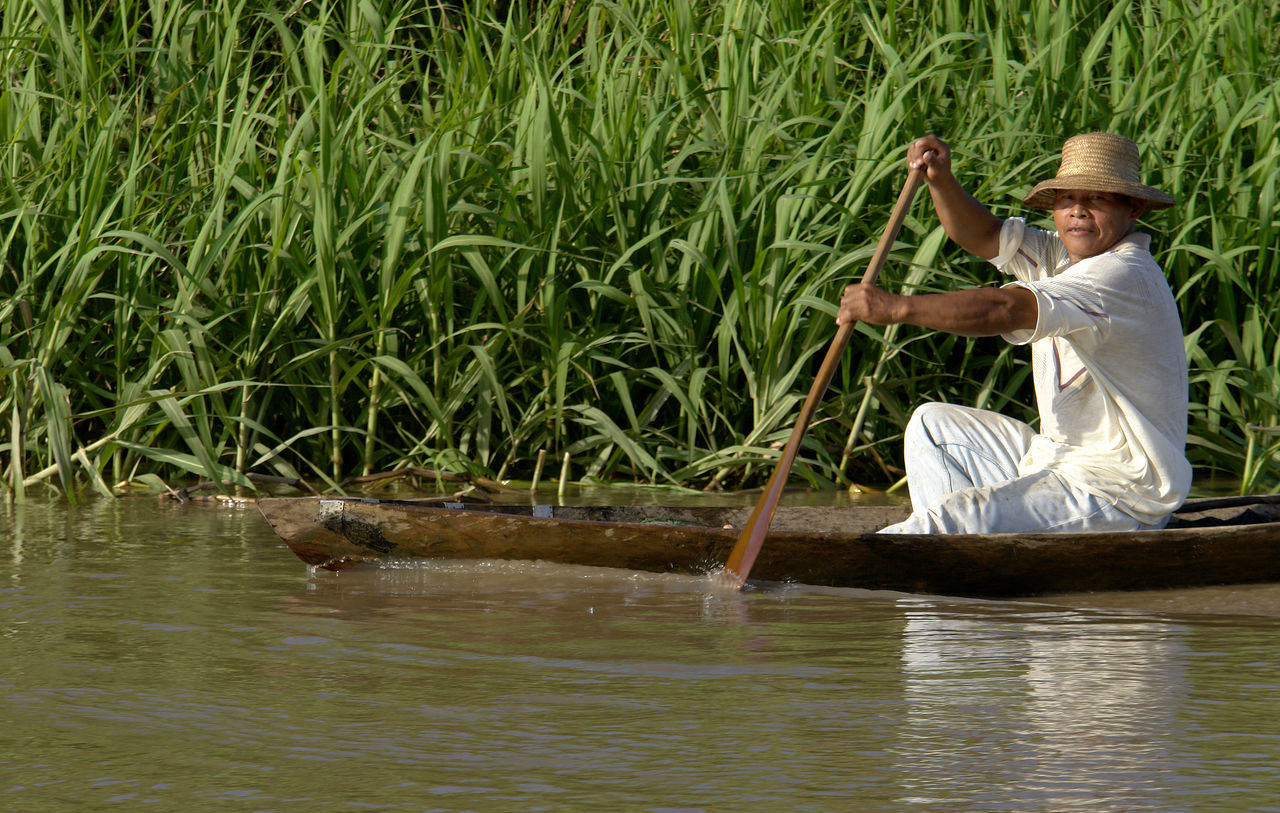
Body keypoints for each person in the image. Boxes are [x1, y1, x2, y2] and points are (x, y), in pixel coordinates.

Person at [837, 132, 1190, 534]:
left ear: (1135, 208)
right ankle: (951, 554)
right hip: (1057, 460)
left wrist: (896, 307)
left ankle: (932, 542)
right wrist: (941, 180)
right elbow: (983, 235)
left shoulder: (1122, 273)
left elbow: (1006, 308)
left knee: (960, 516)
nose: (1077, 211)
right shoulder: (1058, 254)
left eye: (1096, 199)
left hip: (1118, 489)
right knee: (932, 426)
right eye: (1066, 199)